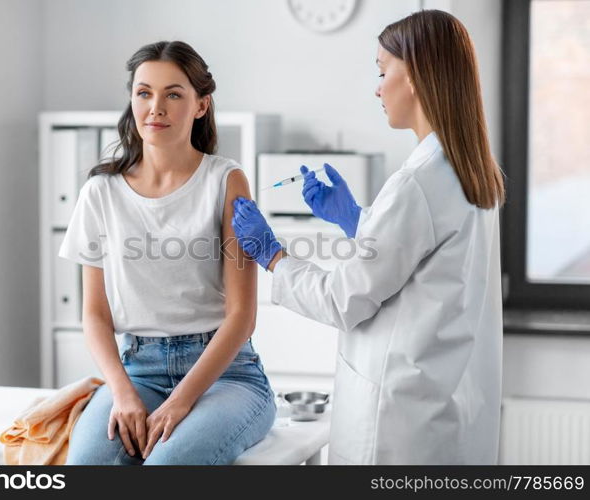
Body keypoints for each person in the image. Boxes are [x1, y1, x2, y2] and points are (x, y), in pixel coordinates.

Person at [232, 10, 506, 465]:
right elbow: (423, 270)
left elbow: (345, 299)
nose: (377, 88)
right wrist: (355, 221)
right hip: (447, 407)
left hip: (398, 425)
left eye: (383, 72)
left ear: (416, 74)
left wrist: (272, 254)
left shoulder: (416, 182)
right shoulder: (468, 169)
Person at [58, 41, 275, 465]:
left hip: (226, 378)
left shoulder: (225, 180)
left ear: (200, 105)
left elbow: (241, 317)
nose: (155, 107)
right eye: (144, 93)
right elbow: (95, 316)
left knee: (165, 465)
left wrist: (181, 402)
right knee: (87, 465)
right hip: (138, 371)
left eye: (173, 94)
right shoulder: (100, 191)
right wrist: (120, 392)